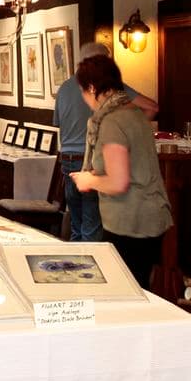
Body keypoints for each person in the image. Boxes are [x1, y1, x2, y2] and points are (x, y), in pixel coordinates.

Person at [68, 56, 173, 288]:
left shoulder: (112, 122)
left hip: (130, 222)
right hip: (149, 217)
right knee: (139, 287)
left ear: (92, 88)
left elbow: (118, 182)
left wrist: (88, 179)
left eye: (83, 92)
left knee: (126, 290)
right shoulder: (135, 113)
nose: (84, 98)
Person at [53, 42, 158, 241]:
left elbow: (59, 124)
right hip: (93, 162)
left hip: (67, 160)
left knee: (77, 226)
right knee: (92, 227)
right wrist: (131, 131)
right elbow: (152, 107)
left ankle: (77, 259)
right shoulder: (109, 88)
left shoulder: (64, 88)